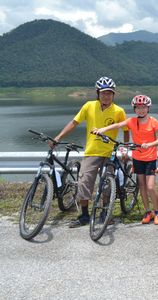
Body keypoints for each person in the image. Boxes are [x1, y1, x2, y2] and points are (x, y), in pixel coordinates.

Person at [51, 77, 129, 228]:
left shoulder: (119, 111)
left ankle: (105, 212)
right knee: (84, 182)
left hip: (109, 153)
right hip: (91, 151)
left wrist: (124, 150)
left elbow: (126, 130)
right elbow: (74, 122)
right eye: (103, 93)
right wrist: (58, 137)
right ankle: (85, 215)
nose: (106, 96)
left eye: (109, 93)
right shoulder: (88, 106)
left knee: (107, 183)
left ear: (114, 94)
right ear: (97, 93)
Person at [92, 95, 158, 225]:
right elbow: (117, 125)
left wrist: (149, 144)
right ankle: (148, 212)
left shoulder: (154, 122)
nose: (141, 110)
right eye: (138, 108)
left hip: (151, 158)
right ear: (134, 109)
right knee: (141, 185)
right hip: (137, 158)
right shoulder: (132, 121)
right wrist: (103, 129)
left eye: (143, 108)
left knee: (151, 187)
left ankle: (157, 212)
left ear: (148, 108)